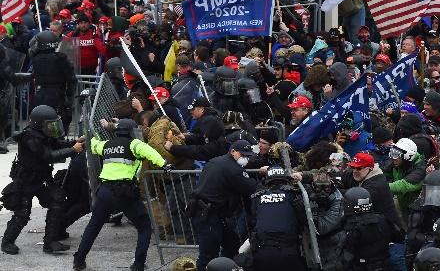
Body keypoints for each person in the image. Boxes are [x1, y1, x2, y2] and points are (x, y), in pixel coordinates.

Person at [73, 119, 170, 271]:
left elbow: (94, 145)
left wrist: (90, 134)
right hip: (125, 193)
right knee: (144, 227)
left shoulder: (107, 145)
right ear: (131, 132)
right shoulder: (135, 144)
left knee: (94, 225)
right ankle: (138, 265)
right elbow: (150, 152)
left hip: (104, 191)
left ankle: (79, 260)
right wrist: (164, 165)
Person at [0, 105, 84, 255]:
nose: (52, 127)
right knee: (22, 214)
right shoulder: (30, 138)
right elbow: (48, 156)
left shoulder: (42, 134)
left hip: (42, 179)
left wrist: (75, 142)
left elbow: (57, 145)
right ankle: (7, 241)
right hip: (26, 181)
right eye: (49, 124)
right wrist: (73, 150)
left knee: (56, 201)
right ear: (40, 124)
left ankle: (50, 241)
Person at [189, 140, 258, 270]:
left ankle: (227, 266)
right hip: (208, 216)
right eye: (242, 155)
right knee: (208, 256)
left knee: (231, 244)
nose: (245, 158)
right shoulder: (233, 170)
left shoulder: (216, 161)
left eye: (247, 156)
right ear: (232, 151)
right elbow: (251, 186)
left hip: (209, 213)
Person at [249, 166, 307, 271]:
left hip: (263, 251)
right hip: (288, 251)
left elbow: (253, 221)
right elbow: (304, 221)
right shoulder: (294, 195)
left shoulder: (257, 197)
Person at [406, 170, 440, 268]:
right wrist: (435, 239)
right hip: (424, 252)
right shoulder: (419, 209)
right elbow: (412, 237)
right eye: (433, 191)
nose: (436, 195)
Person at [341, 187, 400, 270]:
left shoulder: (353, 228)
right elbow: (399, 237)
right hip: (386, 265)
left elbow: (347, 257)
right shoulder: (383, 219)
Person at [31, 30, 77, 131]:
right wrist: (69, 98)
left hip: (40, 94)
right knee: (57, 123)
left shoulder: (36, 59)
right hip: (56, 95)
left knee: (39, 122)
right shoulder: (60, 59)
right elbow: (71, 79)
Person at [383, 138, 426, 219]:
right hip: (403, 205)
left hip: (416, 210)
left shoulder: (420, 169)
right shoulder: (397, 163)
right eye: (392, 153)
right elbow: (383, 173)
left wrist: (381, 187)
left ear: (407, 156)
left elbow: (404, 184)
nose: (393, 158)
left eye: (396, 154)